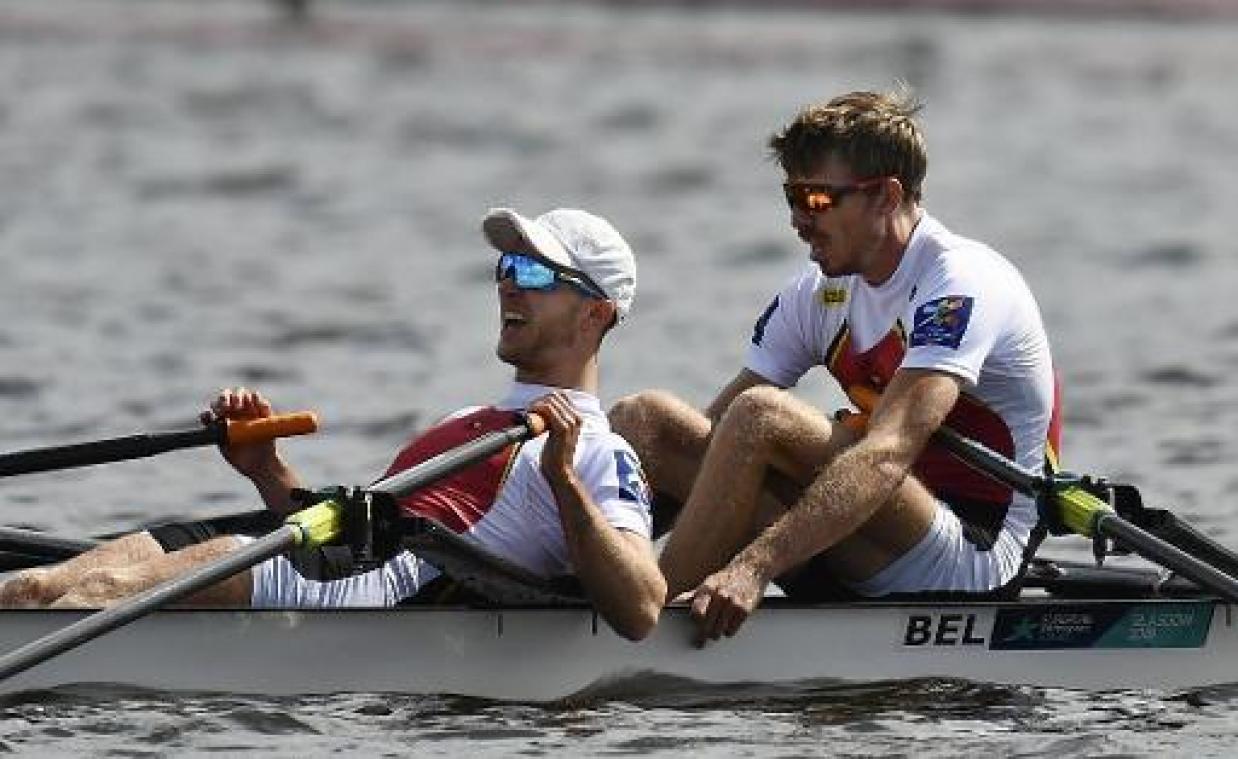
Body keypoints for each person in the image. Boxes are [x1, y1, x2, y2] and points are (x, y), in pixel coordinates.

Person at [0, 207, 666, 641]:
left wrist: (564, 483)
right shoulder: (468, 419)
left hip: (344, 591)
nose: (507, 285)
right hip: (312, 552)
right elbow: (354, 524)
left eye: (533, 272)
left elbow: (640, 608)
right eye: (504, 267)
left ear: (595, 314)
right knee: (31, 588)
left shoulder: (598, 451)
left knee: (102, 593)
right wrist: (269, 470)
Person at [610, 89, 1061, 643]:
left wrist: (753, 568)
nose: (799, 219)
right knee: (645, 421)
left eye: (817, 199)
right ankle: (589, 585)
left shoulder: (961, 284)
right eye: (790, 197)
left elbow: (887, 453)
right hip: (858, 536)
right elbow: (707, 442)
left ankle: (630, 622)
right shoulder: (819, 294)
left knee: (761, 417)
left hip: (971, 556)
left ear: (885, 196)